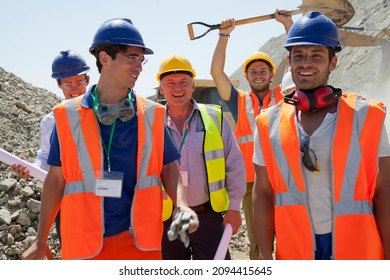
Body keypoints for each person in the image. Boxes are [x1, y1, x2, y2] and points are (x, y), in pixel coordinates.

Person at [21, 18, 198, 260]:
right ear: (105, 58)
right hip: (84, 245)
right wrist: (40, 241)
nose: (139, 67)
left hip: (139, 243)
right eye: (131, 58)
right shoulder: (67, 116)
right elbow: (55, 180)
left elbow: (169, 166)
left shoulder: (153, 114)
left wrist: (181, 203)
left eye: (141, 59)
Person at [252, 11, 390, 260]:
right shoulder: (267, 123)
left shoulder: (366, 115)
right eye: (299, 56)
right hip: (296, 250)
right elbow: (262, 192)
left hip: (356, 249)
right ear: (290, 62)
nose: (306, 63)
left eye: (316, 56)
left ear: (333, 62)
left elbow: (385, 190)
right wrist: (264, 255)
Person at [210, 9, 293, 260]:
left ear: (271, 75)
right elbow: (216, 73)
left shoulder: (284, 95)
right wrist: (224, 35)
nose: (258, 75)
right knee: (259, 243)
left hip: (284, 178)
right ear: (246, 77)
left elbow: (297, 61)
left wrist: (288, 25)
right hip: (251, 184)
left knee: (290, 239)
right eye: (253, 72)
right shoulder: (239, 100)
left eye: (263, 71)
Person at [158, 54, 246, 260]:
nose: (177, 88)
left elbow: (234, 165)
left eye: (183, 83)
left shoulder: (215, 117)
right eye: (170, 83)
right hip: (166, 219)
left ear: (193, 86)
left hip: (208, 217)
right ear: (161, 88)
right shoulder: (151, 121)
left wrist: (234, 207)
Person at [12, 50, 90, 244]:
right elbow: (46, 158)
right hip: (66, 199)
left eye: (79, 82)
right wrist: (29, 168)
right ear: (59, 85)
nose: (74, 90)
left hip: (102, 197)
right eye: (68, 84)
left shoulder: (102, 114)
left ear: (87, 80)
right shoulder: (51, 121)